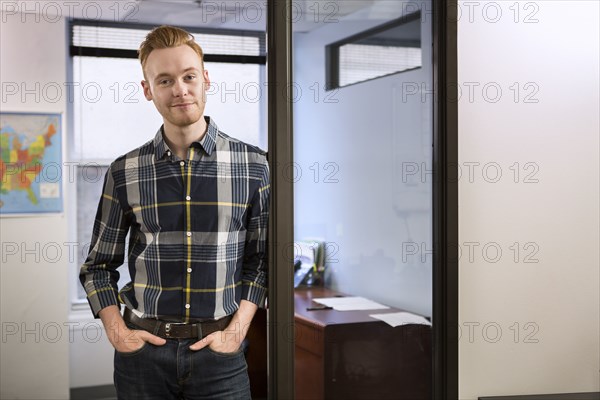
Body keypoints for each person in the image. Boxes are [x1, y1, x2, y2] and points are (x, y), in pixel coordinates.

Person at [80, 25, 269, 400]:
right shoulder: (124, 171)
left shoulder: (255, 166)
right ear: (148, 90)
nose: (180, 89)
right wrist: (118, 332)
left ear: (206, 79)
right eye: (164, 80)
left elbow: (261, 262)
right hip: (142, 359)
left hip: (220, 357)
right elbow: (97, 268)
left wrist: (237, 331)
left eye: (188, 76)